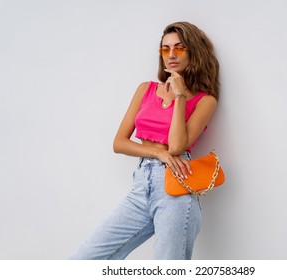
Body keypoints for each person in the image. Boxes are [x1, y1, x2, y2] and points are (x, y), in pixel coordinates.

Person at [69, 21, 220, 260]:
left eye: (179, 48)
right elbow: (119, 143)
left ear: (193, 51)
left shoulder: (204, 100)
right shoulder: (146, 89)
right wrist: (158, 153)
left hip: (176, 190)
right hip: (141, 187)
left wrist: (180, 95)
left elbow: (178, 147)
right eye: (165, 49)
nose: (171, 55)